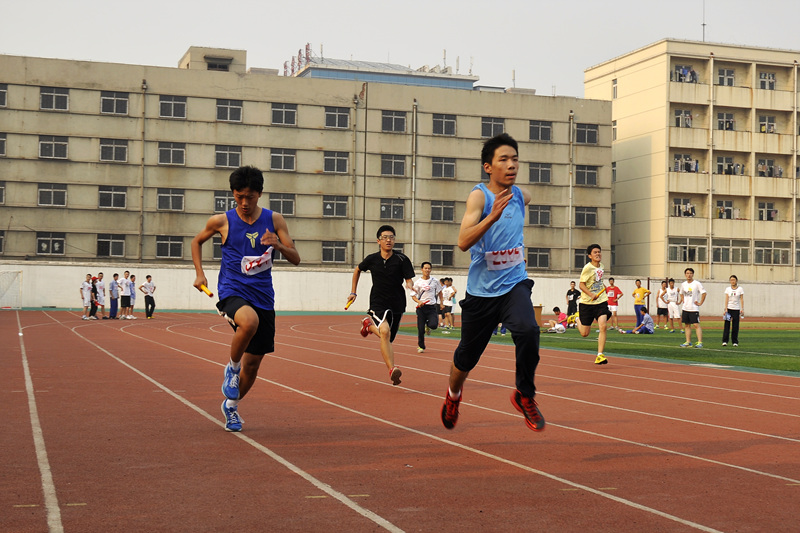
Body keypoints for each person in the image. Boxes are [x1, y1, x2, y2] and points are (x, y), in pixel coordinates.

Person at [440, 133, 544, 432]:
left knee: (528, 329)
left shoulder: (520, 195)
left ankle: (525, 395)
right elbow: (462, 242)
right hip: (481, 293)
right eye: (504, 160)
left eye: (515, 159)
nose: (511, 165)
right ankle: (454, 395)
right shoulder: (479, 197)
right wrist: (492, 217)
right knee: (465, 358)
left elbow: (526, 199)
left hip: (514, 284)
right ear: (488, 166)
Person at [192, 165, 301, 432]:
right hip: (232, 291)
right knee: (248, 323)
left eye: (249, 197)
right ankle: (231, 369)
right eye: (239, 196)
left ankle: (231, 408)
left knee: (252, 366)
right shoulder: (222, 221)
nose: (244, 203)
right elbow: (196, 242)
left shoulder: (275, 220)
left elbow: (296, 258)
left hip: (264, 297)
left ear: (259, 194)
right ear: (233, 193)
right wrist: (199, 274)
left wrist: (278, 245)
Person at [347, 225, 415, 385]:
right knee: (385, 332)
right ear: (378, 241)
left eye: (391, 237)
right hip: (378, 302)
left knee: (388, 338)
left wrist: (410, 286)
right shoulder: (372, 259)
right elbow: (357, 270)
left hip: (397, 302)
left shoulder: (402, 259)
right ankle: (392, 369)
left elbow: (409, 279)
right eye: (385, 237)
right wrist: (353, 292)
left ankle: (368, 326)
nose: (389, 240)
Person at [577, 243, 612, 365]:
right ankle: (577, 319)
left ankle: (600, 355)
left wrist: (603, 287)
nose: (598, 254)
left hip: (601, 301)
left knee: (603, 326)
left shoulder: (601, 266)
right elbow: (581, 285)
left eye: (599, 252)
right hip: (587, 303)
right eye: (595, 252)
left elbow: (598, 281)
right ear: (589, 256)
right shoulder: (587, 268)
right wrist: (591, 294)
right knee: (584, 333)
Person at [412, 262, 443, 353]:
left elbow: (440, 292)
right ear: (422, 269)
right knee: (420, 329)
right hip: (421, 308)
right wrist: (419, 301)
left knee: (433, 325)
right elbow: (413, 295)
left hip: (431, 307)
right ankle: (421, 346)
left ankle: (428, 326)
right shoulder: (418, 282)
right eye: (425, 268)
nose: (427, 270)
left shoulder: (435, 281)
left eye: (429, 268)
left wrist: (441, 303)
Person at [678, 267, 706, 348]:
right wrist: (683, 300)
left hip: (694, 308)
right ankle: (688, 342)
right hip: (685, 308)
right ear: (685, 274)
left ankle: (700, 342)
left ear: (693, 274)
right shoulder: (683, 284)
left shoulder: (697, 284)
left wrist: (700, 302)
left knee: (696, 325)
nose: (689, 275)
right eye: (687, 273)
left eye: (690, 273)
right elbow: (681, 293)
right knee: (687, 325)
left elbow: (704, 293)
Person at [722, 275, 744, 347]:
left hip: (736, 309)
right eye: (731, 280)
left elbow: (741, 299)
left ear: (736, 281)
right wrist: (725, 309)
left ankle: (735, 342)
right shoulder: (728, 289)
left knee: (735, 326)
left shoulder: (740, 289)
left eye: (733, 280)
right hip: (729, 309)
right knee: (727, 325)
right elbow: (726, 299)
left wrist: (742, 309)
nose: (732, 281)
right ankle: (725, 341)